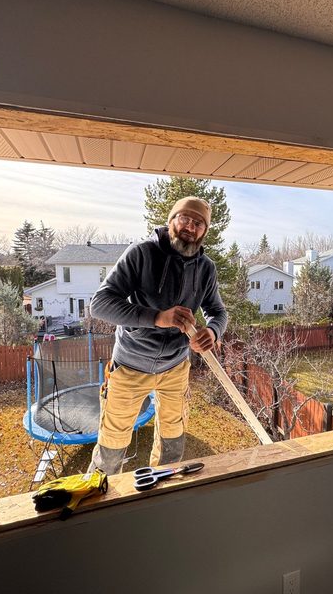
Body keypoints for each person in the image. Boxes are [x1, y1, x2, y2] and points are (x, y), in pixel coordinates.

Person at [87, 196, 228, 474]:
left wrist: (213, 331)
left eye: (198, 222)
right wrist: (157, 318)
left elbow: (217, 311)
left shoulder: (206, 269)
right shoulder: (141, 253)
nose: (190, 226)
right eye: (184, 218)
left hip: (175, 367)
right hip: (130, 365)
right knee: (111, 447)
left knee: (172, 444)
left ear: (205, 231)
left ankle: (161, 492)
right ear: (170, 220)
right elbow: (100, 303)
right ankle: (99, 499)